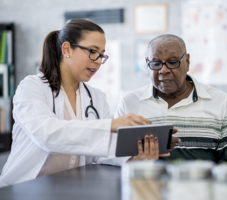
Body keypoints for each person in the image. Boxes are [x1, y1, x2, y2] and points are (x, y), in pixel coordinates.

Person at [0, 20, 177, 187]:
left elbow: (101, 152)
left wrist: (136, 156)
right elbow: (47, 135)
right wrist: (110, 125)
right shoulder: (32, 87)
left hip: (70, 188)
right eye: (92, 51)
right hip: (23, 187)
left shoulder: (96, 97)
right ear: (67, 49)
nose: (98, 61)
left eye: (101, 55)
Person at [115, 34, 227, 163]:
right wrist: (137, 159)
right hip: (147, 183)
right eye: (155, 63)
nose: (163, 70)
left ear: (187, 62)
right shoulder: (129, 103)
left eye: (172, 62)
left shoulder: (221, 102)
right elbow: (114, 160)